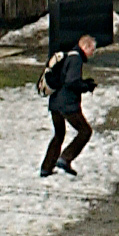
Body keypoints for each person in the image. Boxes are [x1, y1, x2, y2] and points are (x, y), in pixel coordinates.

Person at [40, 33, 97, 177]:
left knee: (59, 134)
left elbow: (67, 79)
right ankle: (65, 158)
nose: (93, 54)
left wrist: (84, 82)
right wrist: (85, 86)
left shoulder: (67, 56)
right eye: (92, 50)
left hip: (55, 103)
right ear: (85, 46)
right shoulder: (75, 59)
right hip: (67, 105)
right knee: (85, 131)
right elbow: (71, 82)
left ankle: (46, 168)